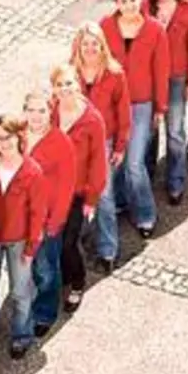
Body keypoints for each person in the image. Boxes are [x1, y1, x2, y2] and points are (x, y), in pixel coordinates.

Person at [99, 0, 169, 241]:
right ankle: (119, 200)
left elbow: (161, 71)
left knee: (135, 163)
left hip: (141, 103)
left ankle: (145, 214)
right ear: (116, 3)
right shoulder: (106, 26)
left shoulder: (154, 30)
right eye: (123, 0)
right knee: (115, 158)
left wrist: (160, 108)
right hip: (114, 104)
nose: (129, 5)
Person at [0, 114, 46, 359]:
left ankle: (21, 334)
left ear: (19, 137)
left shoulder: (32, 171)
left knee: (20, 290)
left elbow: (38, 213)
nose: (3, 143)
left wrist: (31, 247)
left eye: (7, 137)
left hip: (19, 239)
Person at [69, 24, 130, 274]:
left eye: (95, 43)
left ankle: (108, 249)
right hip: (75, 144)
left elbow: (123, 111)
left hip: (104, 142)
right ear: (78, 47)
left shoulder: (115, 74)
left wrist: (120, 145)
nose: (90, 48)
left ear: (102, 45)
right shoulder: (71, 74)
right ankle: (80, 235)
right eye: (86, 44)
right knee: (77, 192)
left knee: (103, 194)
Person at [144, 0, 188, 204]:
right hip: (148, 77)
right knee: (150, 129)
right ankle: (146, 176)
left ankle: (176, 179)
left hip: (176, 78)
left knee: (175, 131)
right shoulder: (144, 6)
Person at [49, 64, 105, 312]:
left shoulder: (92, 120)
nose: (65, 89)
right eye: (59, 84)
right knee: (53, 238)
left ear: (78, 84)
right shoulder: (50, 112)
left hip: (77, 192)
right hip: (51, 190)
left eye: (69, 83)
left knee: (70, 241)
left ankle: (78, 282)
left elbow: (98, 163)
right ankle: (61, 275)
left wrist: (92, 199)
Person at [25, 87, 76, 336]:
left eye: (41, 111)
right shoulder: (18, 136)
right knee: (24, 265)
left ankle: (45, 312)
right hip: (19, 219)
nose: (36, 116)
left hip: (46, 221)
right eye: (31, 110)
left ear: (50, 112)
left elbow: (67, 186)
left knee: (46, 268)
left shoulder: (61, 143)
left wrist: (54, 223)